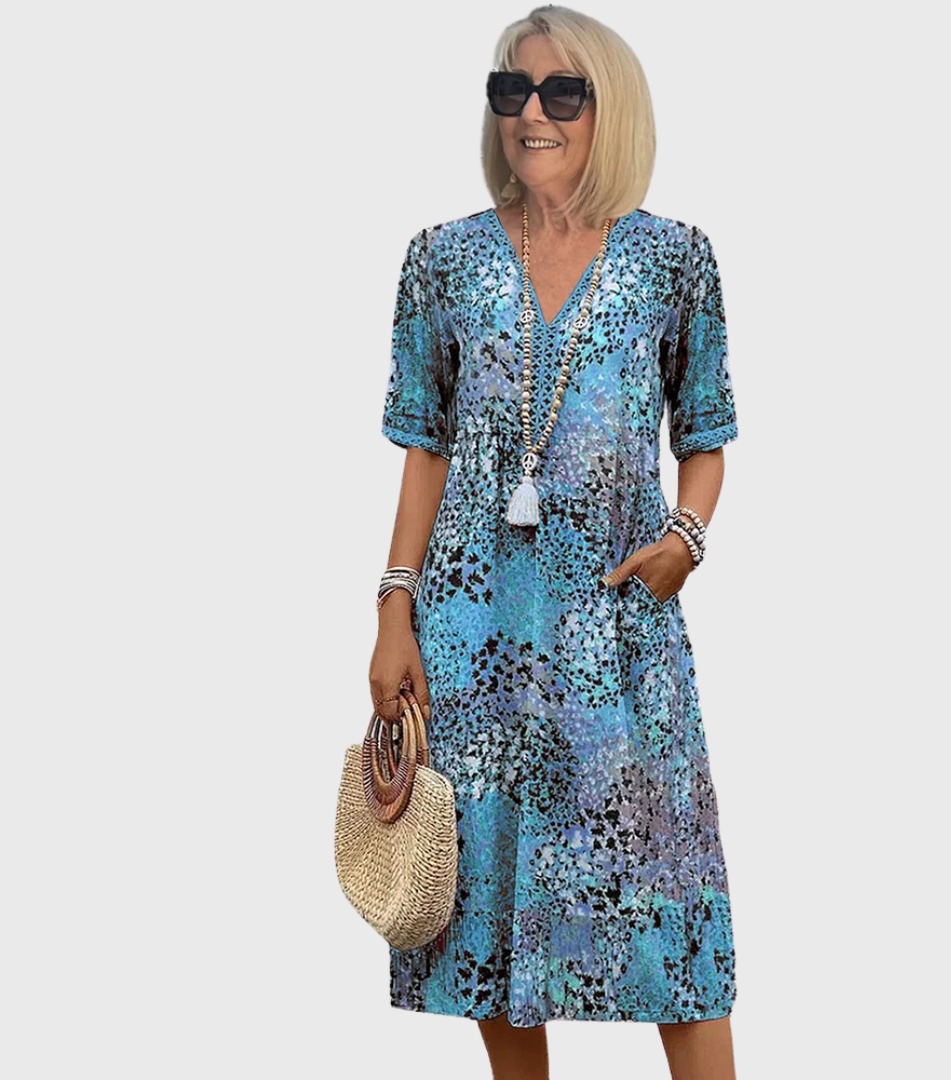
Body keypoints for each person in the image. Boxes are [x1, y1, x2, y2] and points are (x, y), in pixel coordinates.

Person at [371, 7, 739, 1078]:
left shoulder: (675, 260)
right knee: (490, 915)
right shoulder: (441, 260)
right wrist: (393, 608)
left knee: (669, 917)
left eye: (561, 91)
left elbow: (706, 434)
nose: (532, 112)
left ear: (607, 108)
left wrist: (686, 538)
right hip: (471, 632)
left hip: (619, 635)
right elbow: (424, 448)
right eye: (512, 91)